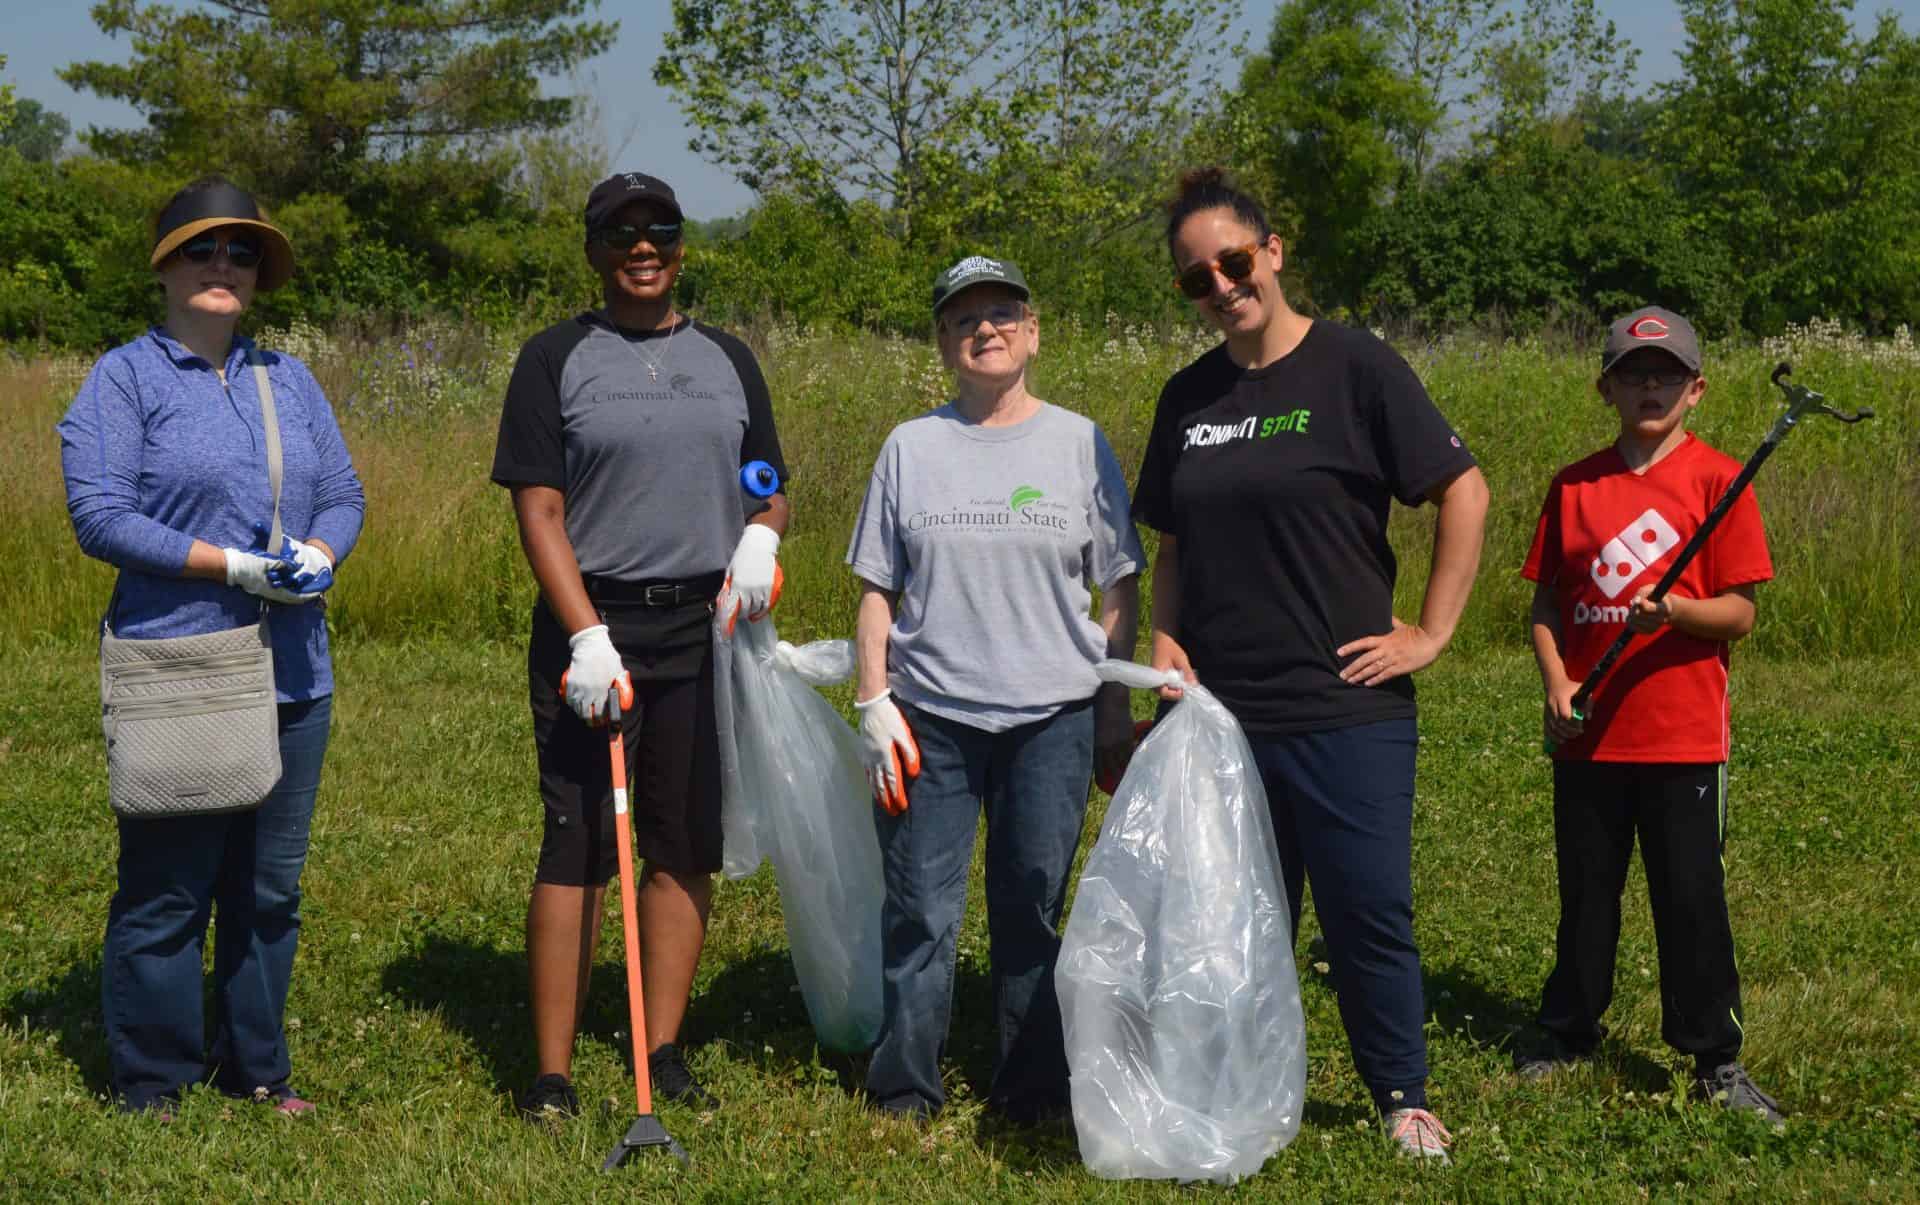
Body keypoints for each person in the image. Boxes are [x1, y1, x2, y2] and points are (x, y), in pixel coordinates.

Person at [1132, 169, 1489, 1162]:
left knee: (1366, 903)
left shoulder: (1355, 368)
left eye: (1233, 262)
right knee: (1231, 914)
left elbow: (1462, 489)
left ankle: (1402, 1091)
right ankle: (1234, 1087)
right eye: (1197, 279)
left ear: (1273, 251)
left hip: (1344, 704)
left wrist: (1430, 628)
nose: (1221, 286)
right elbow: (1172, 544)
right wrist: (1162, 639)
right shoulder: (1189, 397)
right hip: (1221, 708)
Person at [58, 176, 364, 1116]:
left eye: (241, 252)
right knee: (169, 892)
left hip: (292, 671)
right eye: (203, 248)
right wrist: (230, 566)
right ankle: (155, 1079)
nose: (223, 265)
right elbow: (100, 517)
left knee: (268, 890)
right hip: (181, 664)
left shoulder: (289, 378)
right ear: (166, 264)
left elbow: (343, 491)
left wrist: (317, 550)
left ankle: (257, 1066)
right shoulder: (125, 378)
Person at [491, 171, 790, 1119]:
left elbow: (767, 482)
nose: (642, 247)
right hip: (595, 627)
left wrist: (762, 536)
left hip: (702, 630)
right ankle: (553, 1072)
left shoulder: (729, 358)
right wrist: (585, 635)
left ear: (682, 244)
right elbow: (538, 508)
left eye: (659, 229)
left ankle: (663, 1047)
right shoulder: (555, 357)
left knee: (682, 840)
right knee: (578, 841)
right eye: (620, 234)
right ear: (593, 250)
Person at [848, 255, 1144, 1124]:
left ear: (1034, 332)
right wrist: (874, 700)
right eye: (964, 318)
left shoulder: (1080, 441)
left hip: (1051, 718)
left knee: (1034, 909)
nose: (986, 328)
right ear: (943, 343)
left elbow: (1118, 584)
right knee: (918, 911)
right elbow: (876, 586)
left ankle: (1030, 1087)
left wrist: (1111, 705)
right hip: (928, 718)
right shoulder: (911, 445)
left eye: (1003, 312)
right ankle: (904, 1085)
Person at [1515, 306, 1782, 1123]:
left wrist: (1676, 614)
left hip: (1683, 734)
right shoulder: (1575, 484)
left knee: (1691, 896)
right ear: (1607, 387)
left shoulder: (1719, 480)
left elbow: (1739, 612)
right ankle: (1569, 1029)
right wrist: (1557, 682)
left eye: (1668, 373)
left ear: (1697, 389)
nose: (1651, 385)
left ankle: (1714, 1056)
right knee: (1587, 893)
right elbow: (1546, 603)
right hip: (1591, 734)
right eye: (1634, 372)